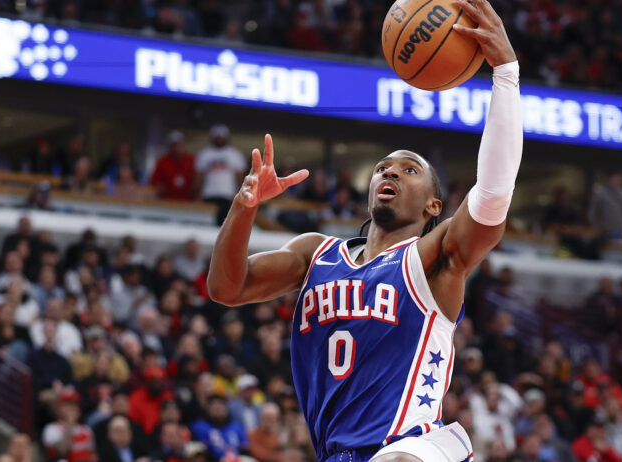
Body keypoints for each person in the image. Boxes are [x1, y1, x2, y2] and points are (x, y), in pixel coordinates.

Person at [207, 1, 522, 460]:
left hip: (413, 446)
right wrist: (243, 207)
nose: (390, 173)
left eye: (409, 169)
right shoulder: (316, 254)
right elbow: (225, 287)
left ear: (434, 204)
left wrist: (506, 74)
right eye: (382, 168)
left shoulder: (434, 259)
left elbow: (493, 195)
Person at [194, 124, 247, 225]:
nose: (219, 139)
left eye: (221, 137)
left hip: (228, 195)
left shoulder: (235, 154)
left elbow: (240, 177)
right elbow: (199, 176)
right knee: (207, 224)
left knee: (225, 224)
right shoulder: (205, 154)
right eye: (217, 137)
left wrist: (240, 195)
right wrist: (197, 194)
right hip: (208, 194)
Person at [41, 389, 96, 462]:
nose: (72, 408)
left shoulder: (86, 429)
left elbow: (93, 456)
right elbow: (62, 452)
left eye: (75, 404)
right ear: (58, 409)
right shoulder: (52, 429)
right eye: (68, 405)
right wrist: (70, 424)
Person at [150, 131, 196, 201]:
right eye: (173, 145)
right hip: (167, 202)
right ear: (169, 147)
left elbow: (197, 180)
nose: (176, 148)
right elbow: (154, 182)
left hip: (188, 202)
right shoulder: (162, 162)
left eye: (178, 145)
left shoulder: (191, 160)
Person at [588, 170, 622, 239]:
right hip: (604, 232)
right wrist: (597, 226)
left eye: (617, 178)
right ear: (608, 179)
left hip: (621, 232)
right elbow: (592, 213)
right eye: (613, 178)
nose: (615, 181)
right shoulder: (600, 194)